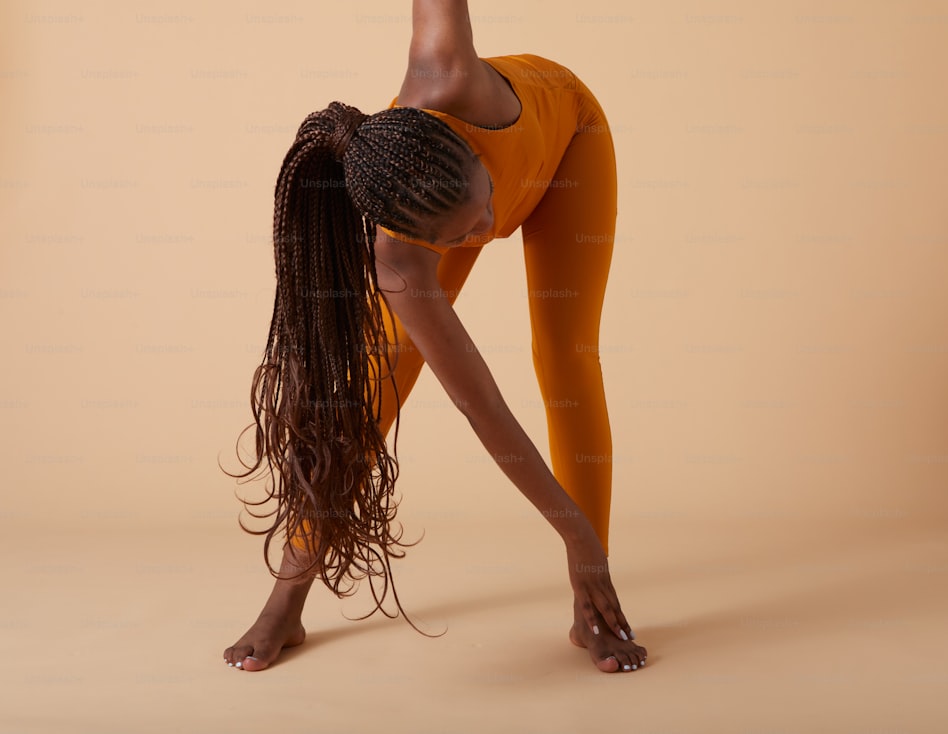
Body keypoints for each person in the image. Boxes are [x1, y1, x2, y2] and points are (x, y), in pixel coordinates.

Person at [223, 0, 648, 674]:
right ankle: (286, 602)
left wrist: (582, 546)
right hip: (454, 201)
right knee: (373, 393)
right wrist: (570, 531)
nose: (489, 228)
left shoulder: (444, 67)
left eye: (482, 209)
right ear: (420, 241)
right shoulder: (400, 262)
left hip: (567, 141)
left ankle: (590, 604)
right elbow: (481, 407)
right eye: (465, 235)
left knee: (567, 362)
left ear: (460, 148)